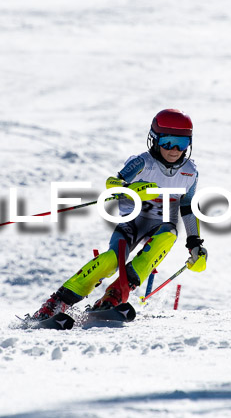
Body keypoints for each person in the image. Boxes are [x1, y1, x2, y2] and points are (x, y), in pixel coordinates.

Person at [32, 109, 208, 320]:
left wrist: (195, 243)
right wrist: (132, 189)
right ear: (154, 140)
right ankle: (55, 304)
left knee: (168, 236)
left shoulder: (190, 172)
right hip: (132, 223)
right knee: (112, 260)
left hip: (161, 224)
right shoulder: (143, 162)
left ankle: (112, 298)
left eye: (181, 144)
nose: (174, 150)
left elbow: (187, 207)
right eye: (168, 142)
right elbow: (113, 183)